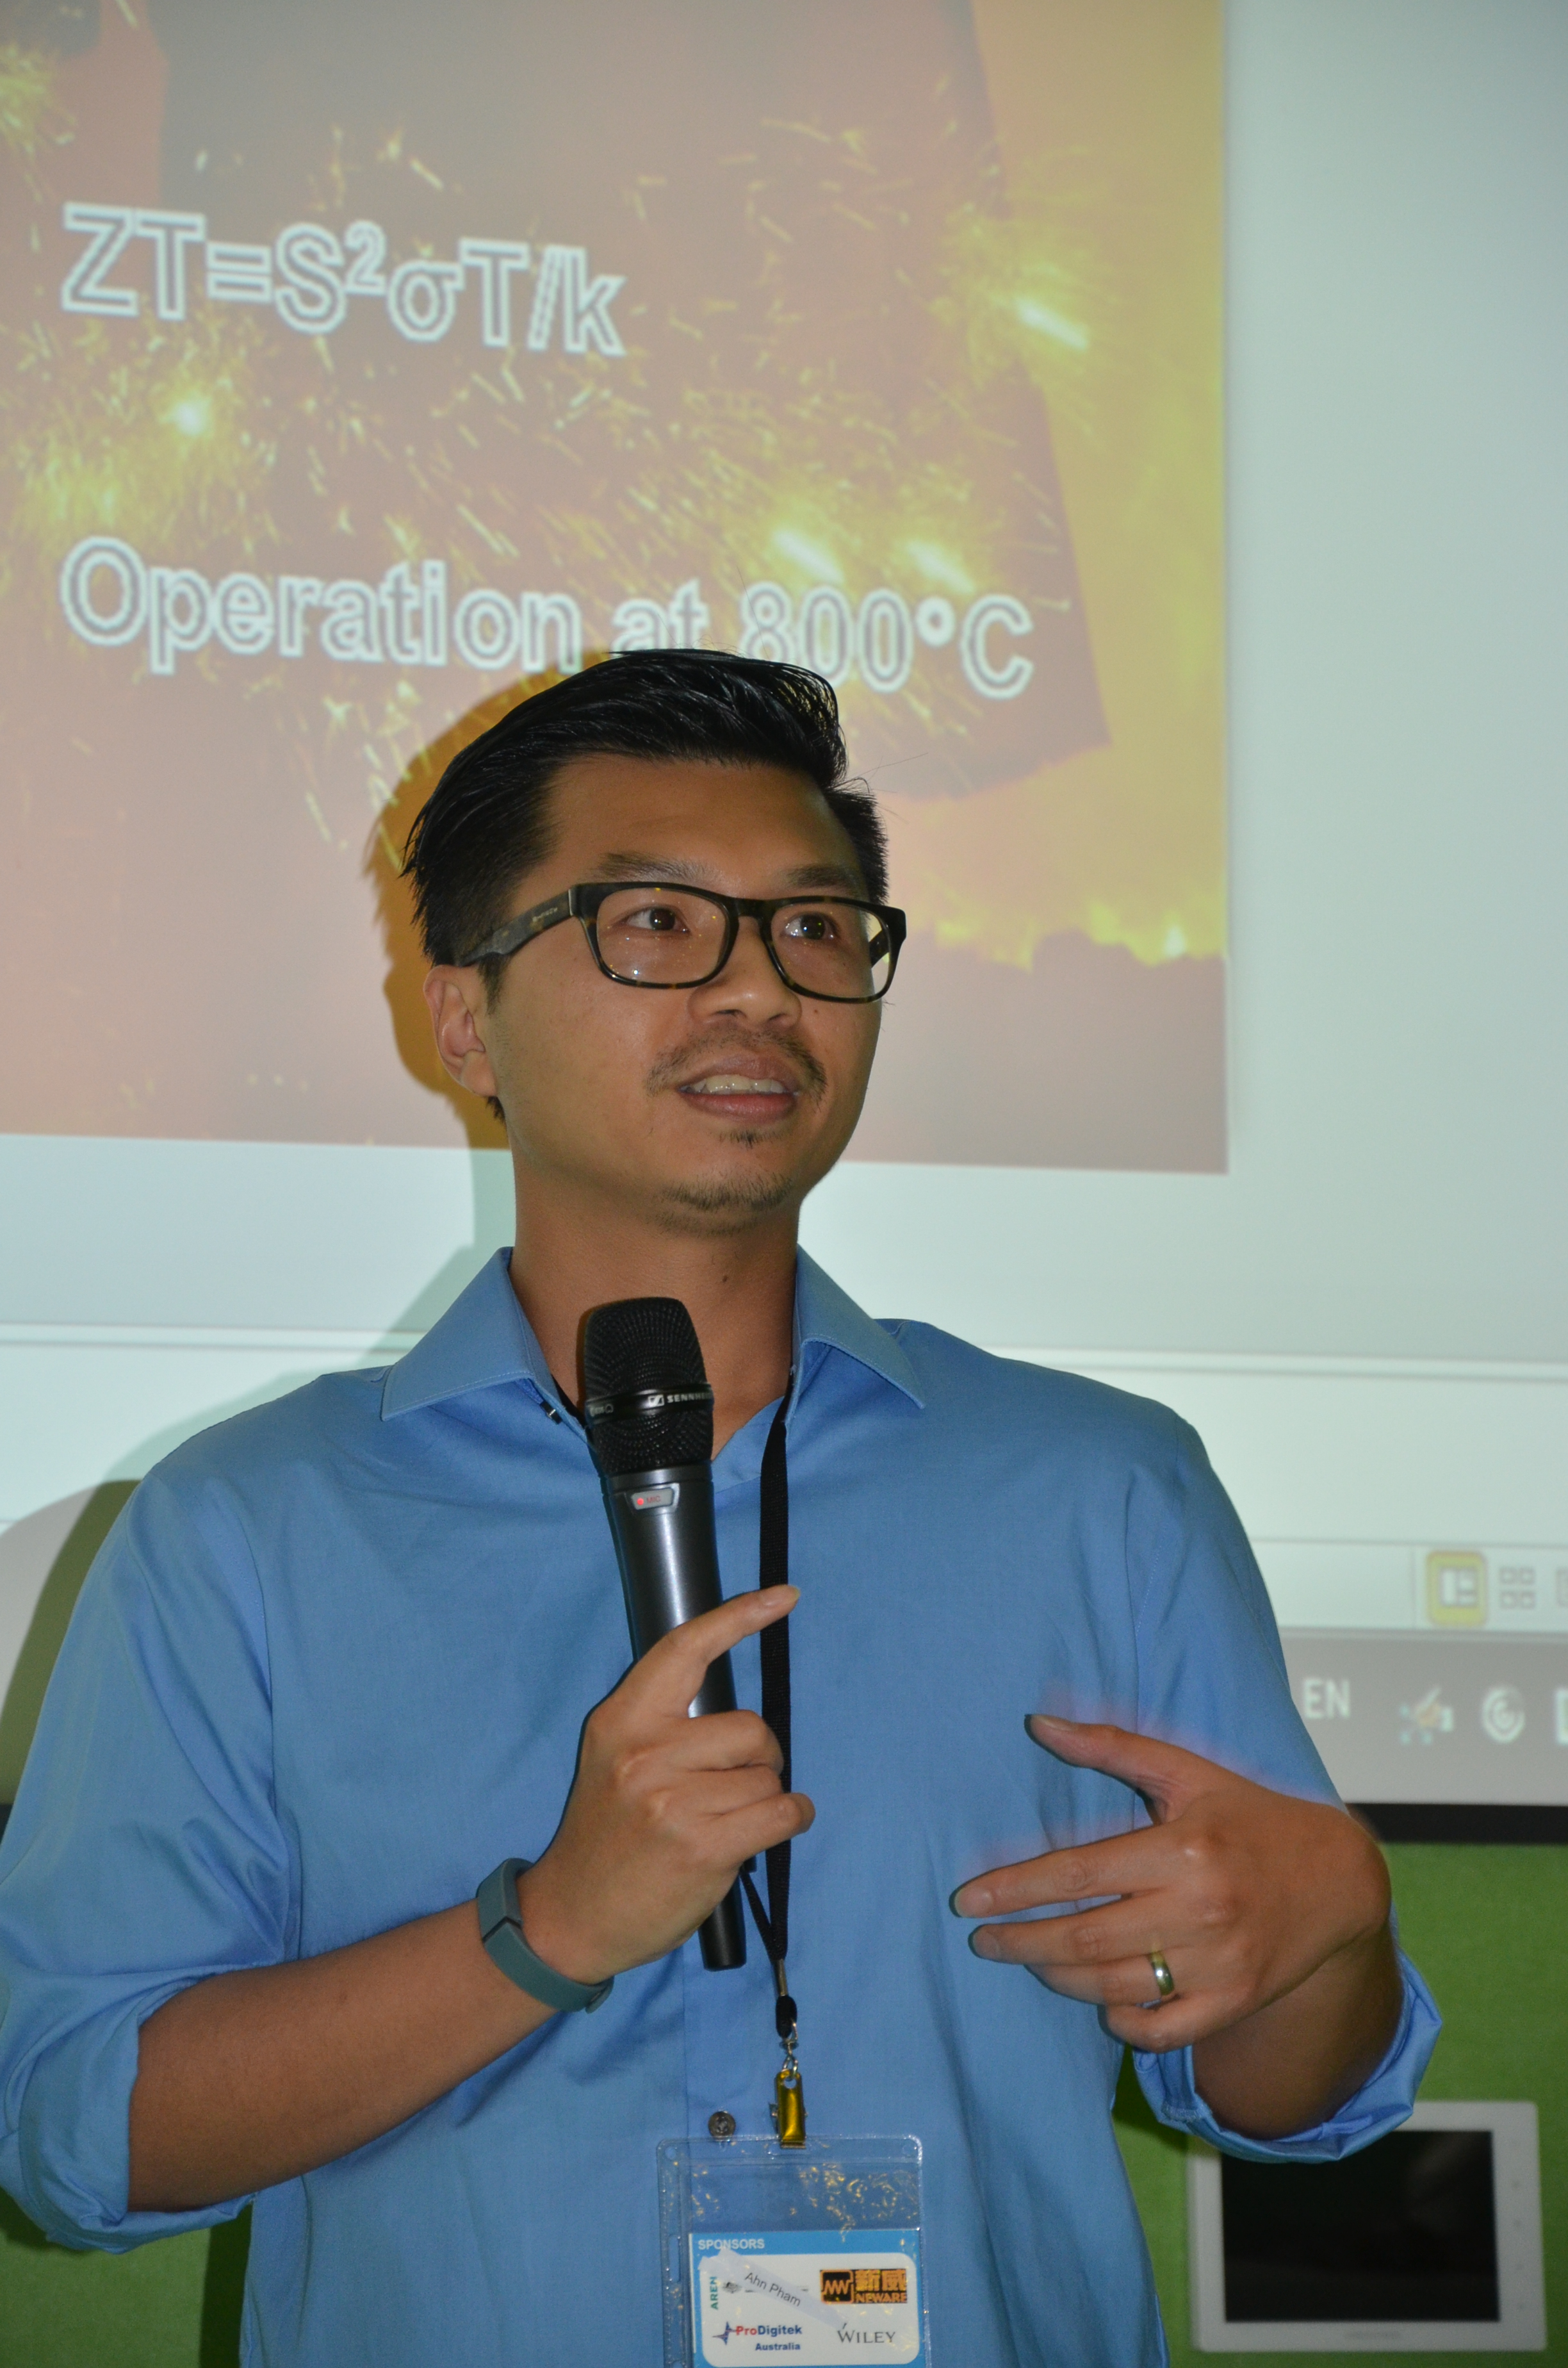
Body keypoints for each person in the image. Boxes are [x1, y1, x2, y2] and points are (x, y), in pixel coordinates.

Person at [0, 653, 1436, 2366]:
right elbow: (77, 2132)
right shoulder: (246, 1528)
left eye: (815, 929)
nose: (759, 987)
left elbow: (1282, 2098)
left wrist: (1331, 1929)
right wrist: (545, 1933)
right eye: (658, 925)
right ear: (462, 1018)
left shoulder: (1101, 1490)